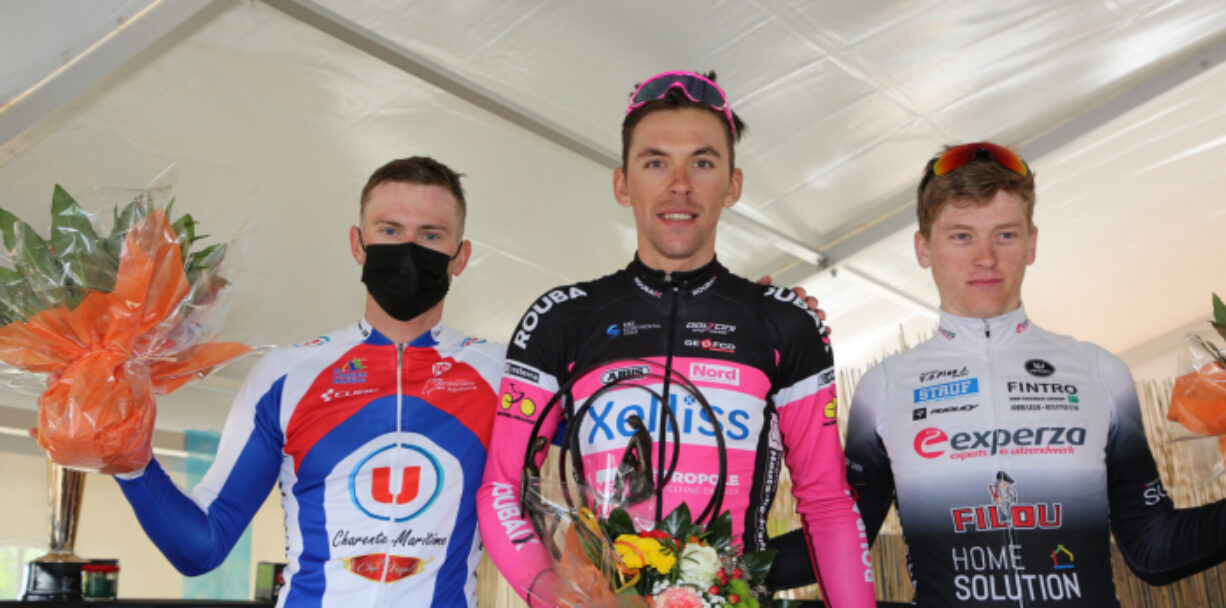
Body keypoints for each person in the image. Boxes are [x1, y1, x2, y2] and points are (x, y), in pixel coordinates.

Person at [477, 70, 876, 608]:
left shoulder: (782, 321)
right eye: (656, 162)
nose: (679, 184)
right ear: (623, 184)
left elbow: (827, 503)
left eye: (702, 163)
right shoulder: (564, 318)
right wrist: (560, 598)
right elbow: (501, 489)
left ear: (733, 185)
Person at [772, 142, 1226, 606]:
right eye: (961, 236)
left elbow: (1154, 547)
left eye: (1005, 235)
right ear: (923, 248)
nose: (985, 258)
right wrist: (726, 564)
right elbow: (836, 540)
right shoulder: (884, 388)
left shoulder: (1099, 372)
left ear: (1032, 243)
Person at [115, 157, 504, 608]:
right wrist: (130, 461)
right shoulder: (286, 375)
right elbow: (203, 547)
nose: (408, 249)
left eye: (430, 235)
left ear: (461, 256)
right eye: (390, 230)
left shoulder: (503, 374)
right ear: (357, 244)